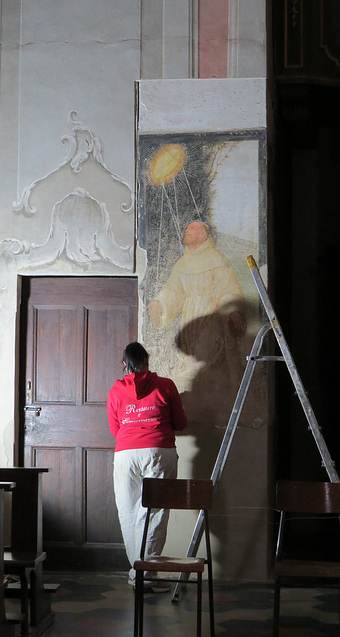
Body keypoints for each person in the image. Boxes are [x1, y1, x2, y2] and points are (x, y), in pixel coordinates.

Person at [107, 341, 187, 591]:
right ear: (147, 361)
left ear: (124, 364)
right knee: (155, 511)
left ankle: (137, 572)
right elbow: (181, 423)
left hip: (125, 453)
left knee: (128, 511)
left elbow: (114, 429)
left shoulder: (115, 391)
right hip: (158, 450)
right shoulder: (165, 385)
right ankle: (147, 573)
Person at [148, 220, 246, 392]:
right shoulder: (182, 263)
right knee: (190, 356)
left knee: (208, 355)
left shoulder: (216, 258)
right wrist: (160, 303)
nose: (187, 230)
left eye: (192, 228)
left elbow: (227, 288)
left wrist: (232, 310)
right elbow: (173, 290)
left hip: (210, 313)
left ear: (203, 234)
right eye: (187, 228)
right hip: (189, 315)